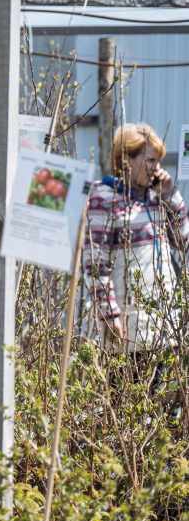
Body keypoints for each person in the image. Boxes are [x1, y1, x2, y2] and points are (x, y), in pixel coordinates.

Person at [84, 122, 189, 390]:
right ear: (126, 159)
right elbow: (96, 262)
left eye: (159, 161)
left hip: (162, 325)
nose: (157, 167)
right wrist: (109, 313)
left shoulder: (155, 197)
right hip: (128, 326)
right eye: (151, 160)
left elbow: (182, 241)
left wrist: (171, 195)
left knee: (158, 413)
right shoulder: (104, 197)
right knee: (124, 403)